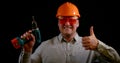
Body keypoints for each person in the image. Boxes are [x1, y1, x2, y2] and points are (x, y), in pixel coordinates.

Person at [18, 1, 120, 63]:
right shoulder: (45, 47)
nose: (67, 23)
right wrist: (27, 51)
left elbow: (116, 60)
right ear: (58, 23)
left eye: (71, 19)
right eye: (62, 19)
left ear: (78, 23)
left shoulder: (90, 46)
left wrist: (98, 45)